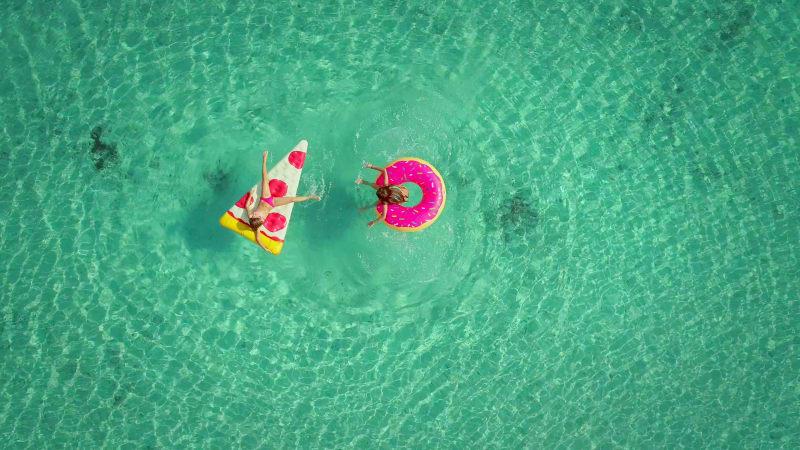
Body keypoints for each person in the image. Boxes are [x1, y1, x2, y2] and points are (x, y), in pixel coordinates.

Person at [246, 151, 320, 251]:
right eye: (259, 218)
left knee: (264, 178)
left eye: (255, 216)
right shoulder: (257, 228)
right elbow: (258, 239)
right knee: (292, 199)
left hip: (265, 197)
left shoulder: (251, 217)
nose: (256, 216)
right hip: (272, 203)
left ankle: (264, 160)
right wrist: (265, 248)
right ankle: (310, 196)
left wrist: (250, 195)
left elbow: (247, 206)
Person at [356, 162, 409, 227]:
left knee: (377, 202)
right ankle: (364, 182)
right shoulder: (388, 186)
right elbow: (384, 171)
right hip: (402, 191)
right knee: (379, 189)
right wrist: (371, 166)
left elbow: (383, 217)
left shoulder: (385, 202)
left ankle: (367, 206)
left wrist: (373, 222)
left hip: (400, 196)